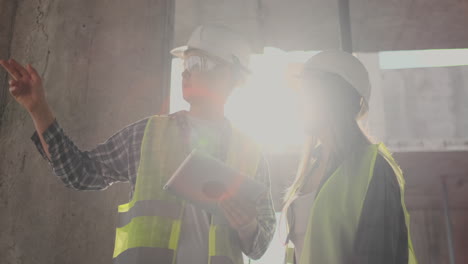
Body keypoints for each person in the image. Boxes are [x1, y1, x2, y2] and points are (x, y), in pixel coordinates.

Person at [0, 24, 276, 264]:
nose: (185, 73)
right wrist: (38, 109)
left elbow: (260, 243)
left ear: (230, 76)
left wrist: (247, 226)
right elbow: (79, 172)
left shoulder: (250, 153)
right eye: (185, 64)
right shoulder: (147, 135)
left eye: (197, 64)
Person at [282, 51, 418, 264]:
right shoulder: (311, 168)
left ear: (333, 98)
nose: (298, 103)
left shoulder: (374, 170)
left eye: (306, 92)